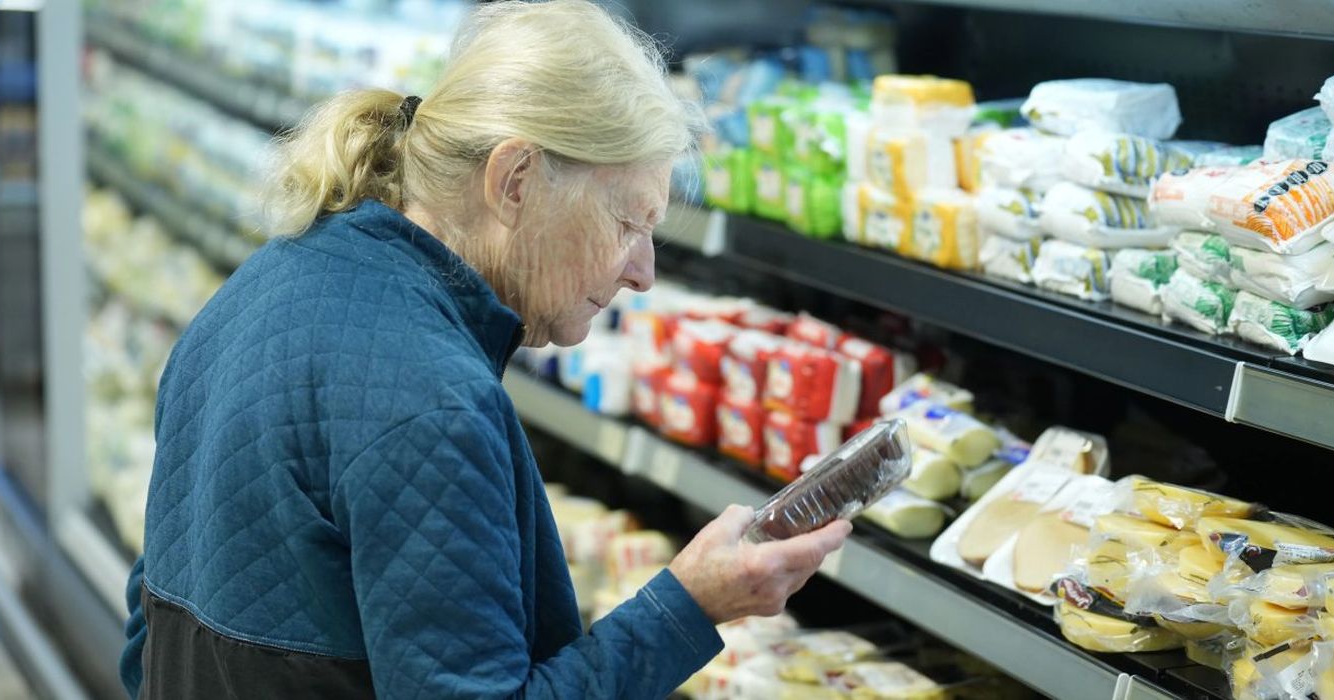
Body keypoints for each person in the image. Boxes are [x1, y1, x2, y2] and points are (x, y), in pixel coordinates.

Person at [119, 1, 850, 697]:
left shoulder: (257, 287)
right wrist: (688, 605)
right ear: (515, 180)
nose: (643, 272)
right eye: (629, 223)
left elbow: (149, 630)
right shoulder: (432, 405)